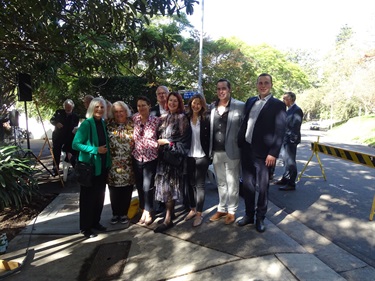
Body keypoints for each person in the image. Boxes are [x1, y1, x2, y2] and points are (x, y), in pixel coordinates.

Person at [237, 73, 286, 232]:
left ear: (271, 85)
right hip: (246, 149)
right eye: (260, 83)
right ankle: (249, 215)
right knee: (247, 186)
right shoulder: (251, 101)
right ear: (256, 84)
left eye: (266, 83)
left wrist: (273, 153)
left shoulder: (278, 105)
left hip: (265, 154)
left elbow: (280, 131)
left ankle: (260, 218)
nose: (263, 85)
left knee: (263, 187)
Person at [72, 97, 111, 238]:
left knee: (99, 197)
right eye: (97, 107)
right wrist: (95, 150)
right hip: (89, 168)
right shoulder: (87, 124)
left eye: (102, 107)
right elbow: (75, 144)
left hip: (102, 167)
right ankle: (85, 227)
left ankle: (95, 222)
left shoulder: (102, 123)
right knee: (88, 198)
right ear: (91, 108)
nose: (99, 109)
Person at [154, 92, 191, 233]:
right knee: (163, 187)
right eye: (170, 100)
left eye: (175, 101)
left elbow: (184, 142)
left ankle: (168, 219)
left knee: (169, 189)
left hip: (173, 160)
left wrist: (168, 143)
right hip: (162, 159)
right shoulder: (162, 118)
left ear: (179, 102)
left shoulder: (182, 118)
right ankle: (170, 213)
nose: (172, 103)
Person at [209, 78, 245, 225]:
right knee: (221, 182)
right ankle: (222, 208)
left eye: (223, 88)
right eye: (218, 89)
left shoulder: (240, 106)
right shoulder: (212, 107)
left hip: (233, 151)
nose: (221, 91)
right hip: (216, 152)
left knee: (233, 182)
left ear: (229, 89)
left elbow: (245, 129)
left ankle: (232, 211)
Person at [132, 96, 160, 225]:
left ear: (149, 106)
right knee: (139, 185)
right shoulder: (134, 119)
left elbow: (161, 137)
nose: (141, 108)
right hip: (137, 157)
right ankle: (143, 209)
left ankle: (149, 211)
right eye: (139, 106)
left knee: (147, 186)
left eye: (143, 105)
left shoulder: (156, 121)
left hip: (150, 157)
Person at [107, 101, 135, 225]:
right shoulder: (108, 125)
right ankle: (115, 213)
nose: (119, 114)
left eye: (121, 111)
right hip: (113, 163)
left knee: (127, 189)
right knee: (114, 190)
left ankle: (123, 213)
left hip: (128, 163)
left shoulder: (132, 123)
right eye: (116, 112)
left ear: (126, 112)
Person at [184, 94, 210, 227]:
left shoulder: (206, 119)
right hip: (189, 155)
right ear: (190, 103)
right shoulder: (186, 117)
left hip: (202, 156)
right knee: (190, 183)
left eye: (199, 103)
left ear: (202, 105)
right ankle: (192, 209)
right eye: (194, 103)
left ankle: (199, 214)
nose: (196, 105)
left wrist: (210, 154)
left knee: (200, 186)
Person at [275, 92, 304, 191]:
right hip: (285, 139)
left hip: (290, 140)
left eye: (285, 98)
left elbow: (296, 126)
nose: (283, 100)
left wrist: (292, 140)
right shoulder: (288, 110)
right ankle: (285, 179)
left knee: (290, 162)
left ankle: (291, 183)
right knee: (285, 161)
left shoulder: (297, 110)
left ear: (291, 99)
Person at [150, 85, 169, 213]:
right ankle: (162, 202)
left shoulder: (175, 107)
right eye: (159, 94)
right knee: (159, 176)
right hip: (157, 147)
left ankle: (176, 201)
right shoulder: (152, 111)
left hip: (172, 147)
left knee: (173, 176)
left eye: (164, 93)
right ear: (156, 96)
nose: (162, 95)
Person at [50, 99, 80, 174]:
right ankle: (55, 168)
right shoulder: (59, 112)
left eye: (69, 108)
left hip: (69, 137)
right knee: (56, 152)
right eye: (66, 107)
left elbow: (75, 127)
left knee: (69, 152)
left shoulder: (75, 116)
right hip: (58, 136)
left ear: (72, 107)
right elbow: (52, 120)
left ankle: (69, 166)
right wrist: (56, 123)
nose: (67, 109)